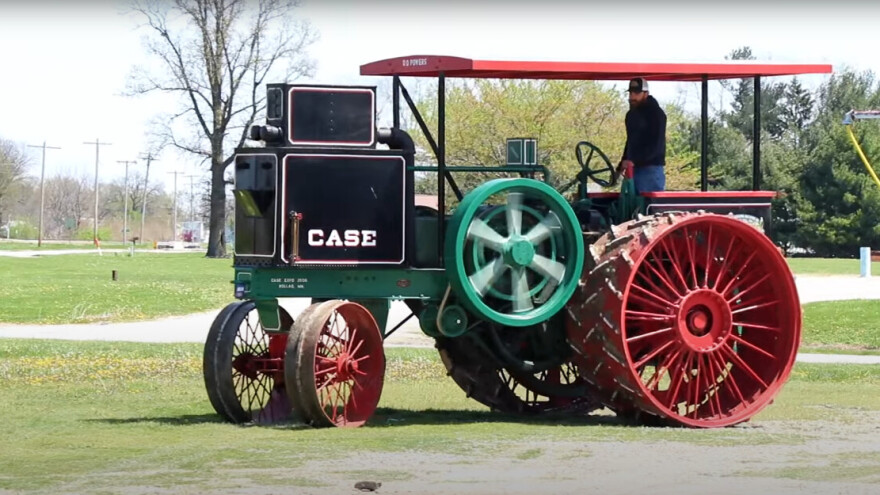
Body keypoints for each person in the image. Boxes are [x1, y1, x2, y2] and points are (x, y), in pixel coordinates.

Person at [619, 77, 667, 193]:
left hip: (650, 169)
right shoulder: (631, 115)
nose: (632, 96)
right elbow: (630, 141)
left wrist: (634, 160)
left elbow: (656, 144)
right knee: (631, 205)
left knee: (647, 207)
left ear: (646, 93)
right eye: (630, 92)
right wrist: (624, 161)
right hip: (634, 169)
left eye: (636, 92)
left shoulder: (656, 114)